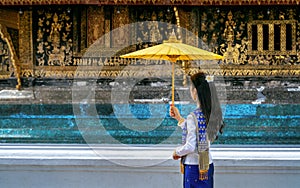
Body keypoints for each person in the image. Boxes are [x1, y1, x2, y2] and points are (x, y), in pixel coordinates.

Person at [170, 72, 225, 188]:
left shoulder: (193, 117)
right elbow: (199, 132)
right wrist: (179, 119)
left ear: (195, 91)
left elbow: (190, 146)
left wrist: (177, 152)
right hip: (207, 164)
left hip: (193, 166)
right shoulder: (211, 113)